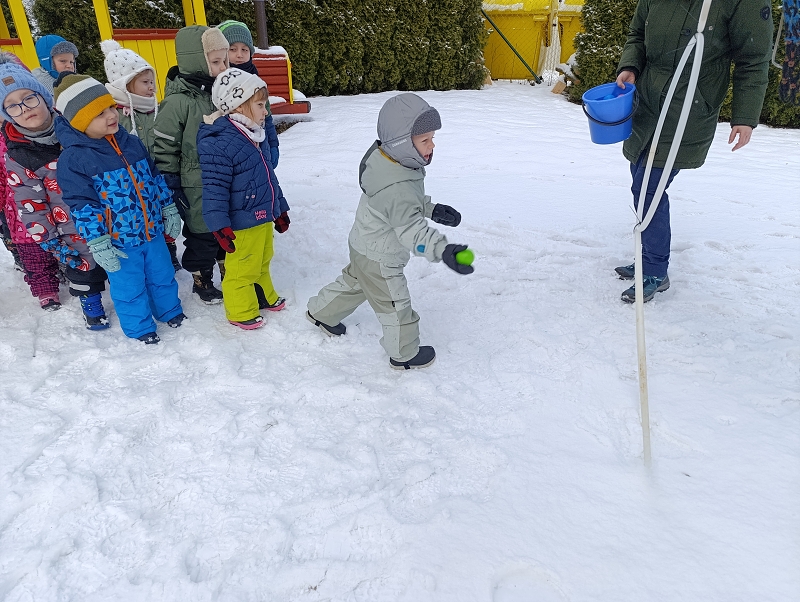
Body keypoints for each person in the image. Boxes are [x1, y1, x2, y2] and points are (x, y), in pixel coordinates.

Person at [614, 0, 773, 302]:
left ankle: (654, 270)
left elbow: (753, 59)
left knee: (650, 185)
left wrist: (745, 117)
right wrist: (630, 66)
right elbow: (637, 33)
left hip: (689, 104)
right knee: (641, 177)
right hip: (648, 101)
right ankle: (649, 255)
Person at [306, 93, 472, 370]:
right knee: (395, 306)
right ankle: (404, 354)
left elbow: (400, 203)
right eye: (424, 140)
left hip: (364, 243)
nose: (432, 146)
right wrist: (442, 250)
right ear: (401, 143)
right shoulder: (397, 185)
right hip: (381, 257)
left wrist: (431, 208)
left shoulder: (386, 160)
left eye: (432, 138)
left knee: (356, 282)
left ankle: (321, 312)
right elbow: (410, 229)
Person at [54, 74, 185, 344]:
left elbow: (153, 177)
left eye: (111, 107)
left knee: (162, 275)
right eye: (99, 113)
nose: (111, 115)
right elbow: (82, 205)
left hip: (152, 231)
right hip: (118, 242)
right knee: (129, 288)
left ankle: (169, 310)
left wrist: (168, 207)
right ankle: (140, 328)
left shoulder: (131, 142)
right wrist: (99, 242)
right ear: (80, 121)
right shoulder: (74, 159)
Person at [0, 61, 110, 323]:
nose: (25, 109)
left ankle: (129, 294)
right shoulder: (18, 154)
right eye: (13, 105)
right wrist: (49, 239)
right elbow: (30, 203)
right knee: (84, 265)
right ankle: (91, 301)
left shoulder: (75, 127)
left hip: (103, 211)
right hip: (68, 224)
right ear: (7, 114)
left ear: (44, 97)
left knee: (119, 256)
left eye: (29, 98)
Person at [197, 68, 290, 329]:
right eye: (260, 105)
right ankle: (240, 310)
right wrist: (219, 225)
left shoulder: (252, 136)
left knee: (262, 260)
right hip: (240, 222)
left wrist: (279, 208)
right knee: (241, 268)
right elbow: (214, 188)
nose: (266, 112)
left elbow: (267, 179)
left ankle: (262, 296)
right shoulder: (221, 141)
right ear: (239, 106)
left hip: (261, 215)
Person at [153, 26, 230, 304]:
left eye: (225, 61)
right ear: (196, 59)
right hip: (194, 185)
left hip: (224, 180)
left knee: (225, 230)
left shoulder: (222, 94)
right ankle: (202, 279)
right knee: (202, 236)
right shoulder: (177, 103)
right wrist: (170, 181)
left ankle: (229, 273)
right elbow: (163, 146)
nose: (223, 67)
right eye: (216, 61)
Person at [101, 39, 181, 272]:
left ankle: (170, 252)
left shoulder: (155, 108)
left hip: (159, 174)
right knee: (143, 218)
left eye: (152, 82)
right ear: (124, 84)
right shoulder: (115, 114)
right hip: (130, 179)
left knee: (165, 215)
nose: (152, 88)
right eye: (145, 82)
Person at [217, 19, 280, 171]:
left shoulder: (256, 81)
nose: (239, 55)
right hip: (231, 155)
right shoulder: (219, 84)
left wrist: (273, 144)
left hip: (259, 148)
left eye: (245, 50)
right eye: (232, 49)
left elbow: (267, 116)